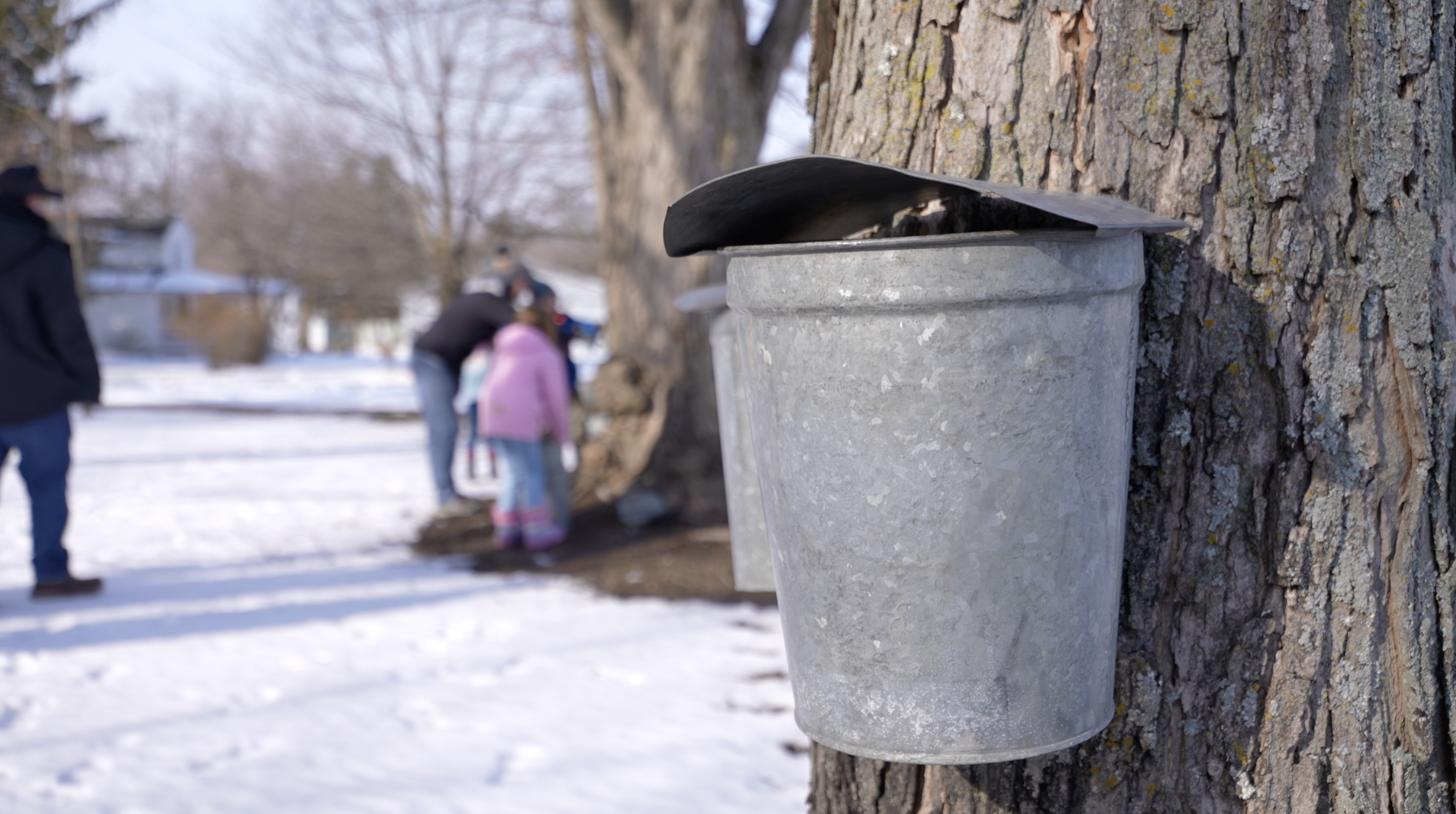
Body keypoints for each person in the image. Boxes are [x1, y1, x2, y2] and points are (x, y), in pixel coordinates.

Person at [0, 165, 103, 599]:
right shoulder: (44, 254)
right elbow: (66, 327)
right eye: (40, 199)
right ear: (25, 202)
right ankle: (50, 574)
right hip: (37, 399)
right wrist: (87, 381)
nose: (45, 206)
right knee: (46, 486)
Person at [411, 281, 522, 518]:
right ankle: (446, 498)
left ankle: (447, 494)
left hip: (439, 364)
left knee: (443, 429)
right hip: (432, 362)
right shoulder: (488, 302)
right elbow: (519, 326)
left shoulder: (480, 305)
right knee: (444, 428)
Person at [477, 300, 570, 550]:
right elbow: (556, 398)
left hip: (492, 414)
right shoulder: (546, 352)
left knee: (511, 471)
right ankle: (537, 530)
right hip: (521, 418)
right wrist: (562, 434)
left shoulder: (502, 347)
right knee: (531, 472)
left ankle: (507, 530)